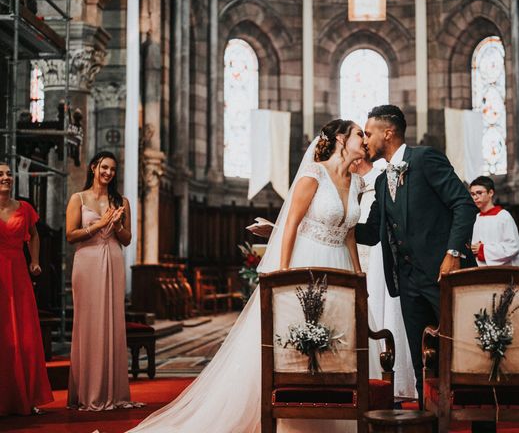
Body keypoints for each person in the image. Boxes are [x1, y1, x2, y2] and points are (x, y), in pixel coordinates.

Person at [128, 119, 379, 433]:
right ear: (341, 139)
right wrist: (284, 274)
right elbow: (290, 227)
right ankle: (296, 418)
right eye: (359, 133)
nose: (365, 139)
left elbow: (349, 235)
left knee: (337, 342)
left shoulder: (356, 181)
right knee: (300, 341)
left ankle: (336, 416)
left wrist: (358, 276)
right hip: (309, 261)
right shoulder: (313, 175)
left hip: (340, 266)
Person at [355, 105, 478, 407]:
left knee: (465, 350)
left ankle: (479, 417)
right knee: (423, 358)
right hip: (407, 283)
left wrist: (453, 253)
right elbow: (371, 233)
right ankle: (430, 418)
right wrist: (327, 223)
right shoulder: (382, 182)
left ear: (389, 132)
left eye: (368, 133)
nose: (365, 140)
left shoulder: (425, 159)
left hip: (441, 275)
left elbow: (464, 204)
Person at [66, 151, 141, 411]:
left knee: (111, 321)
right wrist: (100, 225)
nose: (108, 172)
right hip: (86, 262)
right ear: (93, 167)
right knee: (87, 322)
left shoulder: (122, 201)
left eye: (112, 169)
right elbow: (70, 235)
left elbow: (127, 239)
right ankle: (86, 391)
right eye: (104, 167)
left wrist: (117, 225)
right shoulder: (78, 198)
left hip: (113, 259)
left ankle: (113, 391)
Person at [351, 156, 417, 400]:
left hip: (379, 258)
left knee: (384, 311)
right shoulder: (348, 183)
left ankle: (395, 380)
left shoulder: (384, 175)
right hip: (355, 255)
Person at [0, 161, 53, 416]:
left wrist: (34, 261)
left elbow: (34, 234)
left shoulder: (25, 208)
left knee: (22, 335)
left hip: (18, 272)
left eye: (9, 174)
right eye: (1, 174)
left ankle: (25, 396)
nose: (6, 177)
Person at [469, 176, 519, 267]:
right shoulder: (477, 218)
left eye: (479, 193)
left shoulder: (503, 216)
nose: (475, 197)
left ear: (490, 193)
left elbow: (513, 247)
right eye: (473, 194)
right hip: (482, 272)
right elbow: (475, 248)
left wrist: (483, 249)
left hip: (505, 272)